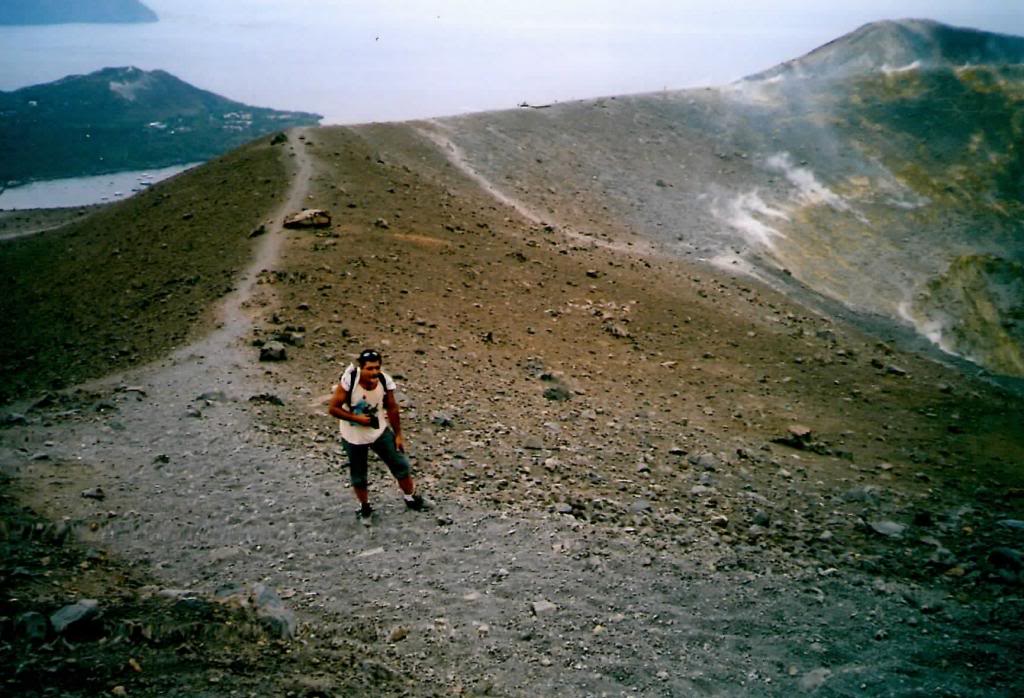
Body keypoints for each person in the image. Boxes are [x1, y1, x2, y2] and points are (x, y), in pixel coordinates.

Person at [328, 349, 425, 520]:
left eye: (377, 368)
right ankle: (365, 508)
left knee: (400, 465)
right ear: (361, 368)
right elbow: (333, 408)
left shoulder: (384, 381)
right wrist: (356, 418)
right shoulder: (349, 381)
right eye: (370, 369)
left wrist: (398, 435)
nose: (374, 372)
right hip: (354, 437)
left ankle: (411, 497)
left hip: (378, 431)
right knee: (359, 475)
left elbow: (392, 407)